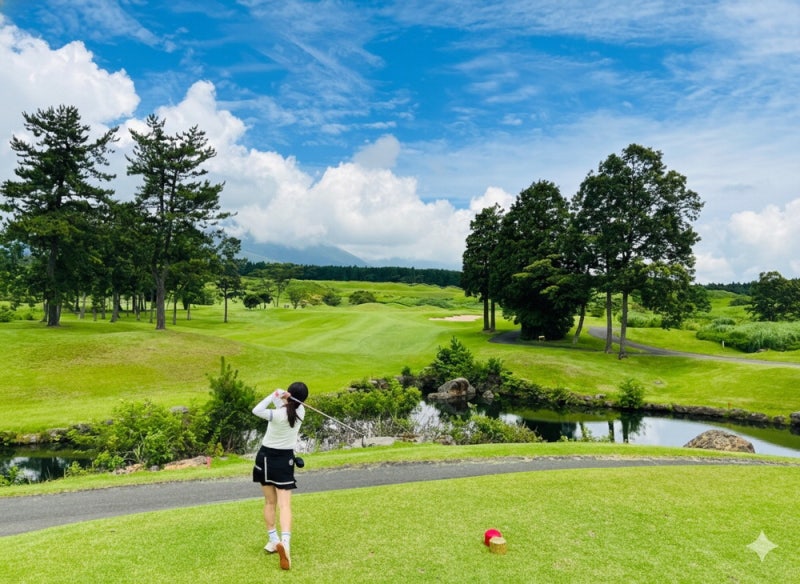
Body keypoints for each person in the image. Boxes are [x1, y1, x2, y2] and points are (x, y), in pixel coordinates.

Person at [252, 381, 309, 571]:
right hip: (285, 460)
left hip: (266, 458)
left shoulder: (276, 415)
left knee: (270, 502)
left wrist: (274, 394)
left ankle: (273, 539)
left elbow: (257, 409)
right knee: (285, 504)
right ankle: (285, 542)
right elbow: (287, 409)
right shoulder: (300, 413)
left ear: (290, 394)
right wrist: (283, 398)